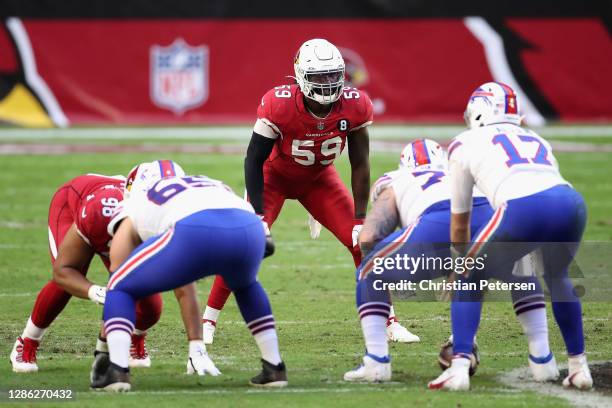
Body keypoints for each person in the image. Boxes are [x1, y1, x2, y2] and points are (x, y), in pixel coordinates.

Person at [202, 38, 416, 345]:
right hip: (273, 177)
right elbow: (254, 159)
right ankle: (208, 321)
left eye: (333, 75)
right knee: (243, 244)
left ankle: (389, 321)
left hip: (318, 180)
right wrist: (259, 214)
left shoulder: (354, 104)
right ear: (301, 76)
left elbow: (360, 164)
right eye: (319, 76)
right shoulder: (280, 103)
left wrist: (359, 219)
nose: (328, 84)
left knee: (364, 243)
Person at [428, 82, 592, 391]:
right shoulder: (536, 137)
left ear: (479, 111)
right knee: (558, 278)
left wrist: (458, 264)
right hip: (570, 203)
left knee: (469, 275)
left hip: (523, 206)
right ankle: (578, 366)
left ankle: (459, 367)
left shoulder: (465, 142)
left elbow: (460, 220)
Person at [343, 139, 549, 384]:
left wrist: (391, 264)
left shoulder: (396, 179)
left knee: (369, 271)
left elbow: (370, 236)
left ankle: (376, 362)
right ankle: (543, 359)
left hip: (437, 221)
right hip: (487, 218)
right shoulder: (461, 171)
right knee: (521, 272)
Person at [91, 170, 286, 391]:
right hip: (249, 226)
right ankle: (274, 367)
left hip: (194, 229)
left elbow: (117, 265)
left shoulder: (136, 202)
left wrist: (103, 348)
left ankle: (117, 370)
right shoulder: (209, 181)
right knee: (245, 284)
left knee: (119, 285)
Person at [10, 172, 162, 373]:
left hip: (118, 225)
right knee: (68, 279)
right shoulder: (98, 214)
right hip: (83, 209)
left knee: (151, 304)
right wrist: (95, 292)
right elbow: (63, 272)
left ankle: (135, 337)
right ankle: (27, 342)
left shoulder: (159, 220)